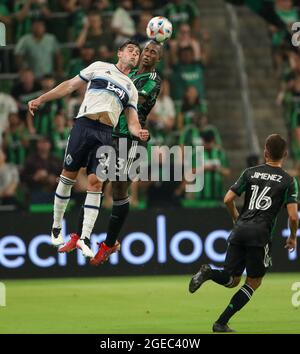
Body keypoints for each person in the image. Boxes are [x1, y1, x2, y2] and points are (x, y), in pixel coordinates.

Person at [28, 39, 149, 258]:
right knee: (68, 176)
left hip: (105, 134)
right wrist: (41, 98)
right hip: (83, 126)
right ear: (119, 53)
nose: (134, 54)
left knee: (97, 183)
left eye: (137, 52)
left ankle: (84, 238)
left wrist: (138, 131)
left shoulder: (131, 88)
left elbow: (132, 120)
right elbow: (69, 85)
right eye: (130, 50)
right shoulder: (99, 67)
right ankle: (56, 227)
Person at [59, 40, 162, 265]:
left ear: (158, 59)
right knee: (95, 183)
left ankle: (109, 243)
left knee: (118, 189)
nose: (147, 54)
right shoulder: (126, 70)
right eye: (145, 50)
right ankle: (78, 235)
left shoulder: (153, 80)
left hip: (130, 139)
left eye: (153, 53)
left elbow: (134, 99)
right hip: (108, 134)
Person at [188, 134, 299, 332]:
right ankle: (220, 323)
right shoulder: (289, 181)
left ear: (265, 152)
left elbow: (228, 199)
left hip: (240, 229)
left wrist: (235, 218)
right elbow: (292, 217)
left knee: (232, 280)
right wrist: (292, 237)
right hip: (260, 235)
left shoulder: (250, 172)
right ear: (285, 154)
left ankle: (208, 272)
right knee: (253, 282)